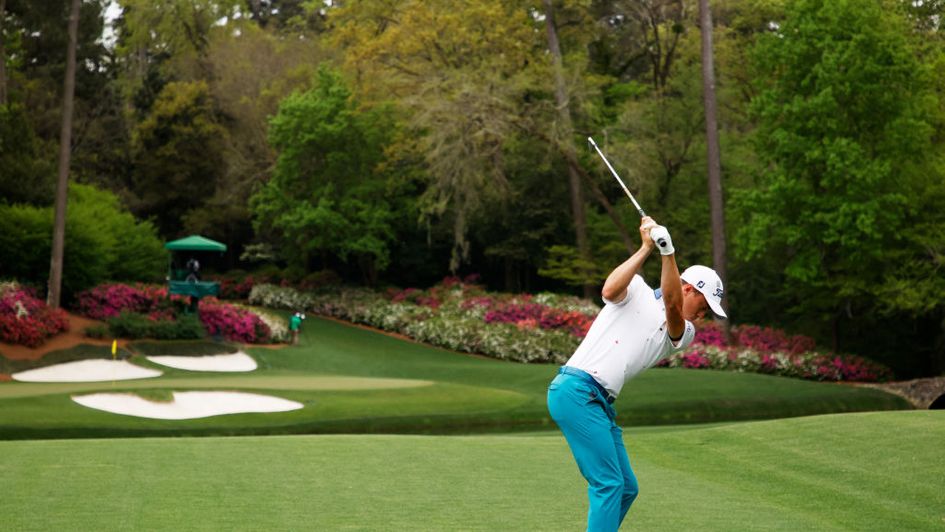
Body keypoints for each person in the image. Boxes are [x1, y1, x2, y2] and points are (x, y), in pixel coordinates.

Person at [547, 216, 727, 532]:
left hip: (597, 400)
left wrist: (667, 251)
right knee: (609, 484)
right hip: (576, 390)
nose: (704, 315)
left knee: (626, 488)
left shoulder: (685, 331)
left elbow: (672, 306)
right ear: (689, 288)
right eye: (704, 305)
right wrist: (648, 248)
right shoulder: (638, 289)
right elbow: (610, 288)